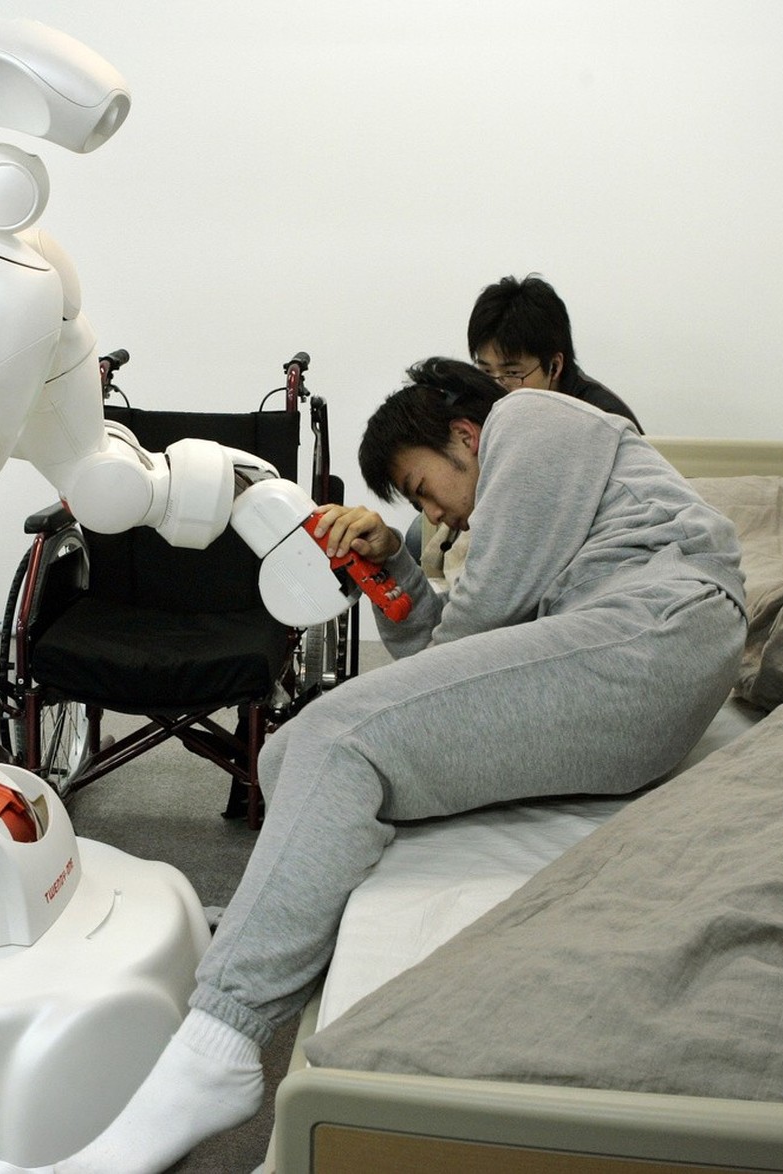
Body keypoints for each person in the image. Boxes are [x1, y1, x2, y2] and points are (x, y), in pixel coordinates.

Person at [55, 358, 745, 1174]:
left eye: (424, 490)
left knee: (326, 742)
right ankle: (256, 970)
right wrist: (393, 565)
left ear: (465, 435)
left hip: (653, 635)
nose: (436, 514)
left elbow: (475, 634)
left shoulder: (530, 420)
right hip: (641, 660)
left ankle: (220, 1042)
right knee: (304, 758)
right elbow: (451, 657)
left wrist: (410, 627)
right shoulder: (561, 501)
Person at [468, 273, 643, 433]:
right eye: (486, 372)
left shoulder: (606, 422)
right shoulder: (479, 407)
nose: (497, 387)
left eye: (513, 373)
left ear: (554, 366)